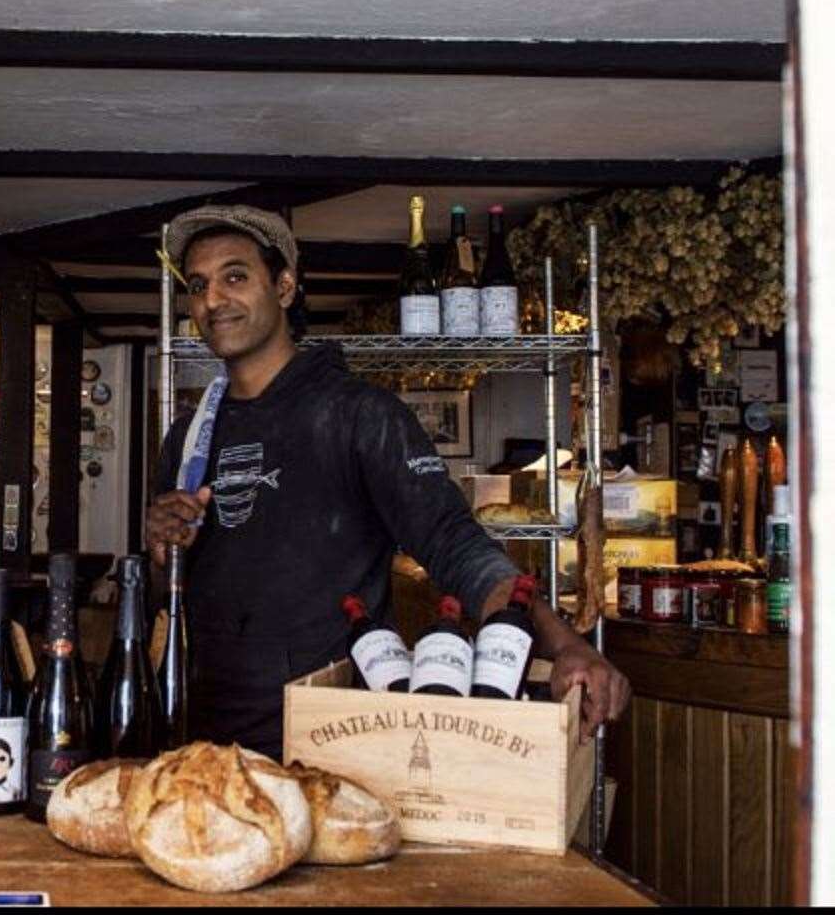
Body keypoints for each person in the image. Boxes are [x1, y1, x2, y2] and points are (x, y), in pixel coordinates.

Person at [145, 204, 630, 761]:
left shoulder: (359, 414)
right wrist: (162, 550)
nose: (212, 300)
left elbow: (451, 540)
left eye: (235, 276)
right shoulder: (189, 436)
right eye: (199, 285)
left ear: (283, 286)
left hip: (333, 735)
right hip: (203, 734)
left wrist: (565, 643)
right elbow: (168, 596)